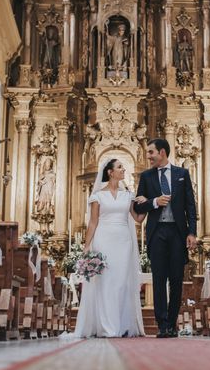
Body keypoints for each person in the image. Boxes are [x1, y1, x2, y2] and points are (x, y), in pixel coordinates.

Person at [73, 158, 147, 338]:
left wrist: (146, 204)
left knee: (121, 283)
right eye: (120, 167)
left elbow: (137, 219)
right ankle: (106, 327)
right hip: (103, 240)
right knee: (105, 283)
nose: (124, 170)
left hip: (123, 241)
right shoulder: (97, 196)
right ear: (110, 172)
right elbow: (93, 222)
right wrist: (87, 246)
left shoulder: (128, 195)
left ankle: (120, 326)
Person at [134, 138, 198, 338]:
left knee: (176, 279)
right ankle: (162, 325)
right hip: (157, 232)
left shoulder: (182, 174)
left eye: (151, 152)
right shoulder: (146, 177)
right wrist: (154, 202)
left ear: (162, 152)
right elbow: (138, 206)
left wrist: (192, 232)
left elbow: (190, 205)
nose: (148, 156)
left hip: (178, 232)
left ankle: (172, 322)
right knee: (159, 279)